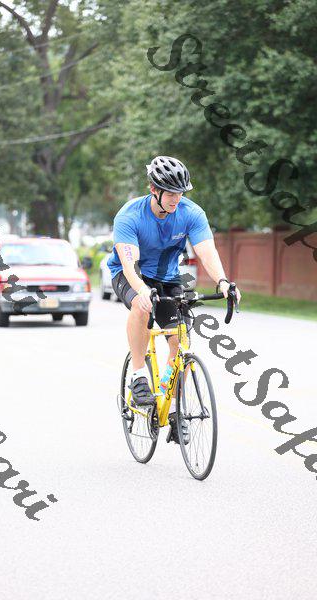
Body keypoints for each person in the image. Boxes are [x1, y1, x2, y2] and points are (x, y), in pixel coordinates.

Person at [107, 155, 241, 442]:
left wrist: (222, 281)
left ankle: (174, 410)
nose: (176, 199)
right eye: (170, 193)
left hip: (168, 278)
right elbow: (130, 263)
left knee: (179, 341)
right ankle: (138, 375)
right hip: (130, 274)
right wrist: (141, 290)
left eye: (180, 192)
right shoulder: (129, 216)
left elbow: (206, 250)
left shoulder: (191, 213)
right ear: (153, 190)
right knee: (141, 306)